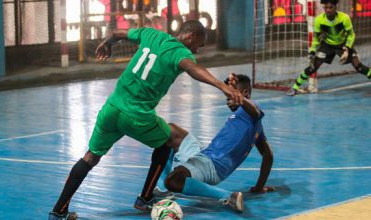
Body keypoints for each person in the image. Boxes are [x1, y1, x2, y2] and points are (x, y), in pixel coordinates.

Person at [48, 20, 242, 220]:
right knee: (167, 142)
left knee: (90, 157)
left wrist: (107, 43)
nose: (198, 49)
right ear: (191, 35)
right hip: (137, 115)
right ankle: (146, 198)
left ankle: (58, 212)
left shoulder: (151, 34)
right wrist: (223, 86)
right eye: (199, 44)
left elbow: (116, 32)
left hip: (111, 108)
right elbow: (193, 68)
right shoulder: (180, 53)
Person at [155, 74, 275, 212]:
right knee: (168, 131)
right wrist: (259, 187)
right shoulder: (255, 126)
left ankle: (228, 196)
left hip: (212, 165)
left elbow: (255, 111)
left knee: (173, 181)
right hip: (203, 154)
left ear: (245, 93)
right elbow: (268, 155)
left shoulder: (251, 110)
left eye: (231, 94)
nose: (227, 99)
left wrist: (241, 100)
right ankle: (162, 190)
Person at [286, 0, 371, 96]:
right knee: (312, 68)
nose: (328, 10)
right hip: (327, 45)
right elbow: (316, 38)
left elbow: (351, 35)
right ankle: (295, 88)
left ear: (336, 8)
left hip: (343, 44)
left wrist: (347, 49)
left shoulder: (344, 18)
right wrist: (312, 50)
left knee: (358, 67)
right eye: (326, 8)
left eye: (331, 7)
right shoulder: (319, 20)